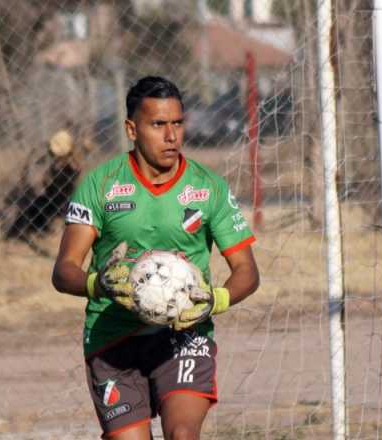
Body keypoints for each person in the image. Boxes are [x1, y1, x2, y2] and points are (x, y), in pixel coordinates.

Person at [51, 76, 260, 440]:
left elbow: (246, 270)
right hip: (113, 339)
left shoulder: (207, 187)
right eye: (158, 124)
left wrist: (217, 300)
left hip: (183, 335)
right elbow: (64, 269)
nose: (171, 136)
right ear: (132, 129)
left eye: (177, 123)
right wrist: (95, 283)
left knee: (181, 434)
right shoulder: (100, 185)